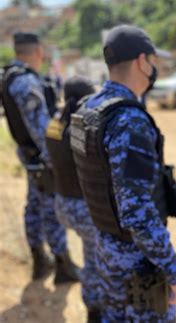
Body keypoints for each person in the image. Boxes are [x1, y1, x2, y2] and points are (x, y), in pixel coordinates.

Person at [69, 25, 176, 322]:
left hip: (106, 252)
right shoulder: (129, 120)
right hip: (137, 265)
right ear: (141, 62)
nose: (156, 67)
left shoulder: (89, 110)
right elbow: (137, 214)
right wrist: (175, 273)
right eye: (153, 60)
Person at [1, 32, 79, 283]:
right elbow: (40, 128)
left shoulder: (13, 76)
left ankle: (40, 261)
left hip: (30, 155)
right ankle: (62, 265)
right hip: (41, 156)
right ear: (37, 51)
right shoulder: (24, 82)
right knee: (51, 208)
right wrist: (55, 159)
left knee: (34, 205)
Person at [45, 76, 101, 322]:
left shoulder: (54, 125)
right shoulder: (83, 130)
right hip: (83, 210)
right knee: (94, 262)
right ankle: (95, 310)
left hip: (62, 204)